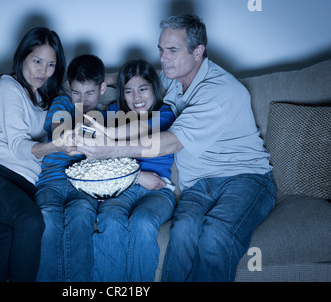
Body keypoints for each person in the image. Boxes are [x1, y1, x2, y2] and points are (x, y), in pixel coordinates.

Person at [76, 14, 276, 282]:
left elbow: (169, 141)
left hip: (245, 178)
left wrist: (109, 149)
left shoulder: (221, 91)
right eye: (161, 49)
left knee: (216, 235)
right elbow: (140, 78)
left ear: (198, 51)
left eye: (172, 50)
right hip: (198, 185)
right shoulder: (174, 78)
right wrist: (99, 82)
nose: (163, 57)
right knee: (182, 233)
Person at [0, 27, 73, 282]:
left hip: (24, 187)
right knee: (31, 221)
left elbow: (83, 80)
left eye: (50, 65)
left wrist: (111, 80)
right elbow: (18, 147)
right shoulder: (6, 87)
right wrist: (57, 145)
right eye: (37, 61)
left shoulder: (47, 99)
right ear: (23, 56)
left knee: (7, 242)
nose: (42, 71)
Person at [82, 59, 176, 281]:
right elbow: (98, 155)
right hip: (121, 187)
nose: (137, 98)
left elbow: (142, 128)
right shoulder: (112, 112)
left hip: (158, 189)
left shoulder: (165, 113)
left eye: (143, 89)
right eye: (129, 91)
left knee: (142, 222)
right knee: (111, 220)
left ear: (154, 87)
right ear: (121, 94)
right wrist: (136, 177)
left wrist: (106, 132)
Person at [35, 54, 107, 281]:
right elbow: (61, 134)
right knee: (48, 218)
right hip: (52, 181)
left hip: (84, 186)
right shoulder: (62, 103)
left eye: (90, 93)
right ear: (68, 87)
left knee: (81, 215)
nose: (83, 100)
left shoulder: (108, 114)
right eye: (77, 92)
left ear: (102, 88)